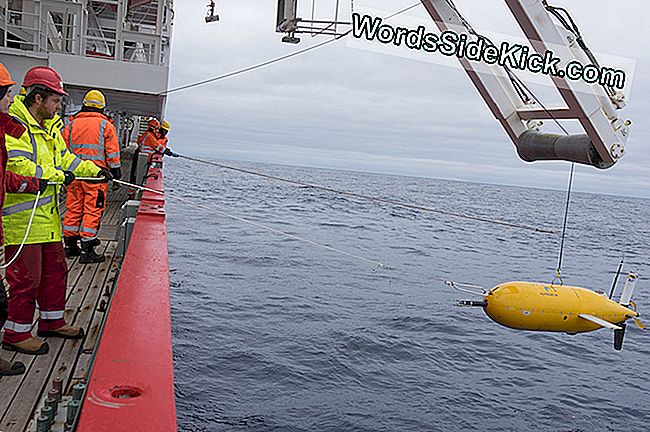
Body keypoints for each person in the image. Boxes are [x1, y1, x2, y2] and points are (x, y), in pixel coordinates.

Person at [1, 66, 111, 355]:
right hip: (22, 221)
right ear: (38, 98)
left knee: (55, 272)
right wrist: (59, 176)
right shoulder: (16, 126)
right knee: (26, 280)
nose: (59, 105)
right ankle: (16, 333)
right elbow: (17, 167)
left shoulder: (50, 130)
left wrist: (97, 171)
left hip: (47, 219)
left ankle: (51, 322)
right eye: (56, 100)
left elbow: (68, 160)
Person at [0, 64, 46, 374]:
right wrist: (31, 183)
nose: (10, 98)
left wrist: (28, 184)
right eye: (6, 93)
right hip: (17, 226)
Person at [62, 89, 121, 263]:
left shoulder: (70, 125)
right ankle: (87, 251)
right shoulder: (106, 126)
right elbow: (112, 153)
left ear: (84, 106)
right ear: (102, 108)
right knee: (92, 211)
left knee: (73, 209)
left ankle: (71, 246)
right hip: (96, 177)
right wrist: (116, 172)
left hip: (74, 177)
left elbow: (62, 150)